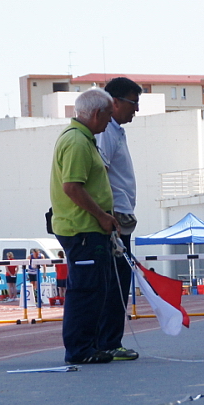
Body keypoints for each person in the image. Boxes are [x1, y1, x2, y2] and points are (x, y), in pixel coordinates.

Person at [49, 88, 120, 364]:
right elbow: (72, 187)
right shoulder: (77, 142)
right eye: (108, 115)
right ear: (96, 114)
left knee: (95, 288)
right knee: (85, 291)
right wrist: (101, 215)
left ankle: (88, 346)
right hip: (81, 229)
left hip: (86, 229)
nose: (109, 121)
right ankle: (79, 349)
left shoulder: (83, 138)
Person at [94, 77, 142, 361]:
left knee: (119, 280)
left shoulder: (116, 131)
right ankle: (108, 342)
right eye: (133, 103)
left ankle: (107, 340)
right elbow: (100, 173)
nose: (136, 110)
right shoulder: (106, 132)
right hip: (114, 219)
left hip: (120, 217)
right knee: (115, 281)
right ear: (114, 102)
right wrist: (108, 215)